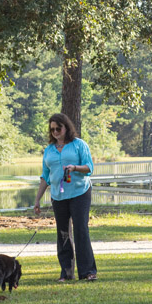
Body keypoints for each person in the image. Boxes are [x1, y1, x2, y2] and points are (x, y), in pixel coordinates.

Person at [33, 113, 97, 282]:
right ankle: (66, 273)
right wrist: (37, 199)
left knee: (80, 230)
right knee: (63, 233)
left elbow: (89, 168)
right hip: (58, 195)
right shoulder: (49, 150)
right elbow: (45, 176)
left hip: (79, 192)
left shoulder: (79, 145)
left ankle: (88, 272)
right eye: (52, 129)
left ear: (66, 127)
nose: (55, 132)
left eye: (58, 128)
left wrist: (75, 167)